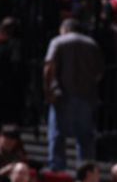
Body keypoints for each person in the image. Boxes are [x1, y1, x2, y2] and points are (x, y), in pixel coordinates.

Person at [43, 18, 105, 171]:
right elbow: (99, 72)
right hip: (87, 96)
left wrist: (48, 91)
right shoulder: (92, 44)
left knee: (57, 134)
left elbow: (49, 67)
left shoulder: (58, 41)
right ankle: (86, 171)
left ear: (64, 29)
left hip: (62, 94)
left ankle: (57, 170)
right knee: (85, 137)